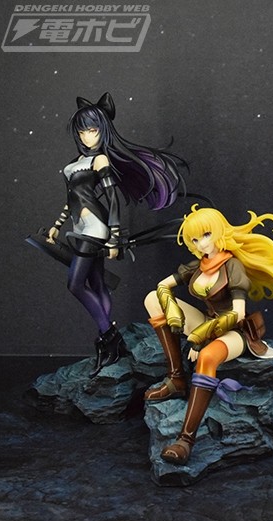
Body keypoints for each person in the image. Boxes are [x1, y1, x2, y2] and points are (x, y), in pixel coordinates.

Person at [143, 205, 273, 465]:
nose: (201, 243)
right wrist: (172, 312)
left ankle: (185, 440)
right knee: (152, 298)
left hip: (235, 332)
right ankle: (176, 379)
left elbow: (237, 314)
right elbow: (162, 286)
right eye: (195, 239)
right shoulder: (199, 266)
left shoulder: (233, 266)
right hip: (208, 322)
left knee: (207, 357)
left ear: (218, 232)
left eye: (206, 235)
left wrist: (200, 336)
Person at [47, 93, 185, 376]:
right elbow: (72, 198)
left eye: (93, 130)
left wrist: (114, 237)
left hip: (95, 229)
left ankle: (108, 337)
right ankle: (110, 341)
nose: (87, 137)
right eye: (82, 132)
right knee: (96, 283)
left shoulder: (100, 161)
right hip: (79, 228)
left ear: (103, 130)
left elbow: (113, 200)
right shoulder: (76, 162)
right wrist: (57, 224)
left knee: (75, 284)